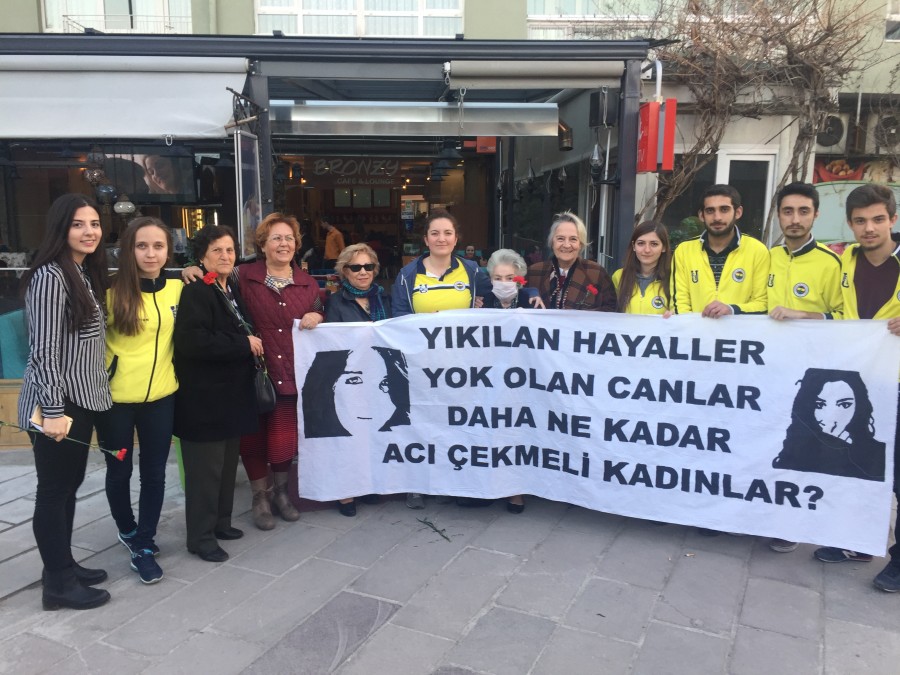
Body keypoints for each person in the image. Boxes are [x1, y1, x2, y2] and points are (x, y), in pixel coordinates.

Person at [18, 193, 111, 610]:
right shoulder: (51, 276)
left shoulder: (80, 271)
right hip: (58, 404)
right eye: (78, 224)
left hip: (81, 399)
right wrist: (54, 411)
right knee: (54, 491)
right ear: (61, 228)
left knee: (69, 487)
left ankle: (63, 565)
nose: (89, 231)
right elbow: (44, 351)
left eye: (94, 223)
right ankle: (57, 584)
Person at [811, 184, 900, 593]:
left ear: (892, 220)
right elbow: (835, 314)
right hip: (862, 382)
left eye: (878, 219)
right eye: (861, 221)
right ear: (850, 223)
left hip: (897, 382)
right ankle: (856, 541)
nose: (869, 228)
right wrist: (800, 316)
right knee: (859, 462)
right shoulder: (843, 262)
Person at [98, 217, 181, 585]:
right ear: (128, 250)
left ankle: (144, 543)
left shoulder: (178, 288)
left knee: (155, 471)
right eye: (142, 246)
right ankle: (127, 528)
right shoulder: (109, 291)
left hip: (161, 397)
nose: (150, 253)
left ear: (168, 251)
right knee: (119, 470)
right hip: (115, 400)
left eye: (158, 246)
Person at [174, 225, 261, 563]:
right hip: (204, 401)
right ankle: (201, 538)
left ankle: (221, 523)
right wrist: (243, 343)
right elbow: (192, 341)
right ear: (202, 256)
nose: (225, 256)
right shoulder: (197, 290)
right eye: (217, 251)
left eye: (230, 250)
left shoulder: (228, 287)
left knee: (225, 468)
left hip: (230, 397)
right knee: (205, 474)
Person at [391, 208, 489, 508]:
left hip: (463, 364)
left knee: (458, 422)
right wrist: (424, 324)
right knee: (422, 420)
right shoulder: (408, 275)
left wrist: (528, 291)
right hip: (422, 363)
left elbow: (498, 301)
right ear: (425, 239)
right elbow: (398, 317)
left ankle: (455, 479)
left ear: (456, 238)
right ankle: (417, 483)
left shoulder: (473, 271)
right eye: (435, 233)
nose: (441, 238)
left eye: (447, 233)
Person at [765, 182, 844, 553]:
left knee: (801, 446)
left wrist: (805, 315)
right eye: (787, 211)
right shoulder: (769, 257)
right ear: (778, 215)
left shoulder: (832, 263)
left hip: (811, 375)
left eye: (803, 211)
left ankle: (792, 523)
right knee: (767, 442)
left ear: (816, 215)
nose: (794, 219)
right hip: (767, 369)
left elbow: (849, 318)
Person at [236, 213, 324, 530]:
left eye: (289, 238)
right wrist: (193, 271)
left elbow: (320, 310)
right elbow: (213, 287)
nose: (283, 243)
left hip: (290, 371)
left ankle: (282, 493)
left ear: (296, 245)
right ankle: (260, 497)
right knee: (253, 438)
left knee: (283, 437)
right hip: (253, 372)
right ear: (263, 245)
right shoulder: (241, 275)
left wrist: (317, 315)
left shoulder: (307, 283)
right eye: (276, 238)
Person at [480, 248, 544, 513]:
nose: (503, 283)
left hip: (521, 380)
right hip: (488, 378)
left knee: (516, 434)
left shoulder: (531, 300)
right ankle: (489, 485)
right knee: (489, 432)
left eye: (510, 278)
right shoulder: (481, 301)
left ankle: (515, 491)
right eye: (498, 278)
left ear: (520, 279)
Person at [671, 184, 769, 317]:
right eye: (710, 211)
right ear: (701, 215)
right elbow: (679, 303)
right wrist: (695, 327)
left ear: (738, 212)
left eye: (724, 209)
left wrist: (731, 309)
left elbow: (762, 303)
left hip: (739, 330)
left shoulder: (757, 250)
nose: (717, 217)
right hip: (695, 329)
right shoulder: (684, 251)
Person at [772, 368, 885, 480]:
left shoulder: (880, 453)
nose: (831, 418)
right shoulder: (794, 447)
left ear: (860, 406)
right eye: (819, 405)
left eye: (844, 405)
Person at [525, 211, 616, 311]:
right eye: (560, 239)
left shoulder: (596, 273)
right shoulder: (534, 272)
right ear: (552, 242)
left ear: (580, 244)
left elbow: (611, 309)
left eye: (573, 239)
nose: (566, 245)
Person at [611, 220, 673, 315]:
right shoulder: (619, 276)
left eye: (654, 244)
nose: (647, 250)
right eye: (641, 243)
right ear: (633, 246)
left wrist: (674, 316)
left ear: (664, 247)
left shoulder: (673, 278)